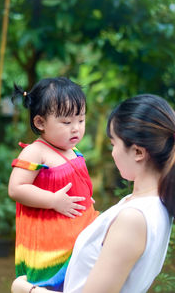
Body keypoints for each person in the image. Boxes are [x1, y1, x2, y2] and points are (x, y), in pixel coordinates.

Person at [11, 93, 175, 293]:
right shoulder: (149, 203)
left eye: (114, 144)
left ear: (138, 152)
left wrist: (28, 290)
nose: (113, 152)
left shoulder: (134, 218)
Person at [8, 77, 99, 291]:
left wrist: (85, 195)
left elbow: (76, 180)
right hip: (50, 243)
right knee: (52, 285)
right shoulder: (35, 151)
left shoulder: (73, 150)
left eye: (81, 120)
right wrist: (53, 200)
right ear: (40, 123)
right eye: (67, 122)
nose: (76, 128)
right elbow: (16, 188)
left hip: (78, 232)